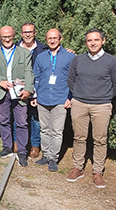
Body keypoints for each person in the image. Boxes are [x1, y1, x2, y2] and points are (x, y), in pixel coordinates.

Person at [66, 28, 116, 189]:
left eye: (96, 40)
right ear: (86, 42)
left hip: (101, 105)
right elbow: (71, 80)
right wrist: (80, 94)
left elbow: (115, 84)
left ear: (103, 41)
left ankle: (98, 172)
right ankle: (77, 167)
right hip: (79, 103)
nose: (93, 43)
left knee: (100, 139)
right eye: (89, 40)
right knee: (79, 137)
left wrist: (104, 95)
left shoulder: (111, 61)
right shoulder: (78, 60)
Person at [0, 26, 34, 167]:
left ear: (14, 36)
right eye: (4, 37)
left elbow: (29, 72)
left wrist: (28, 90)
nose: (7, 39)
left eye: (10, 36)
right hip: (2, 92)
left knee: (21, 122)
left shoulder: (24, 53)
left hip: (19, 92)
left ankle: (22, 151)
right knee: (4, 121)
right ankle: (7, 146)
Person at [31, 29, 74, 172]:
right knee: (44, 129)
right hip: (43, 98)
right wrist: (34, 96)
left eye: (55, 38)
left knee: (56, 130)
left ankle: (53, 158)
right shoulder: (41, 57)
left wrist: (70, 98)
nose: (52, 40)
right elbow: (36, 78)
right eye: (49, 38)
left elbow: (74, 79)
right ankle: (45, 154)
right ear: (46, 39)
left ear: (60, 39)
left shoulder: (69, 57)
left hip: (60, 98)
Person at [18, 22, 48, 158]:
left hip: (37, 89)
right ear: (21, 34)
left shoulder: (43, 49)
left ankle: (35, 145)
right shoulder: (15, 48)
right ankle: (17, 143)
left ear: (35, 33)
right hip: (18, 88)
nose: (28, 34)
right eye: (25, 32)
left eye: (30, 32)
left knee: (35, 118)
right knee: (18, 118)